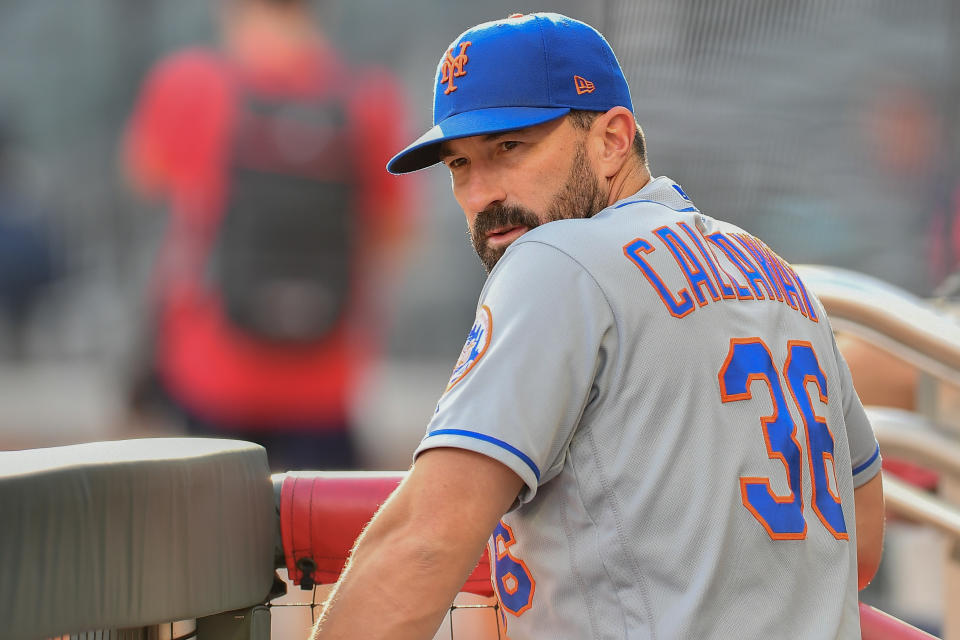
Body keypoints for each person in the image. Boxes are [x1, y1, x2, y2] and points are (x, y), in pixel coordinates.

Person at [312, 13, 885, 639]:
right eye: (458, 164)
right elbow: (864, 543)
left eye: (510, 147)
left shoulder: (556, 261)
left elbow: (424, 542)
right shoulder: (778, 275)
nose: (480, 193)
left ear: (612, 138)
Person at [123, 0, 415, 470]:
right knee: (321, 536)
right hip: (325, 373)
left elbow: (146, 176)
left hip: (208, 368)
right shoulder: (370, 99)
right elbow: (397, 234)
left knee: (213, 537)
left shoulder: (188, 82)